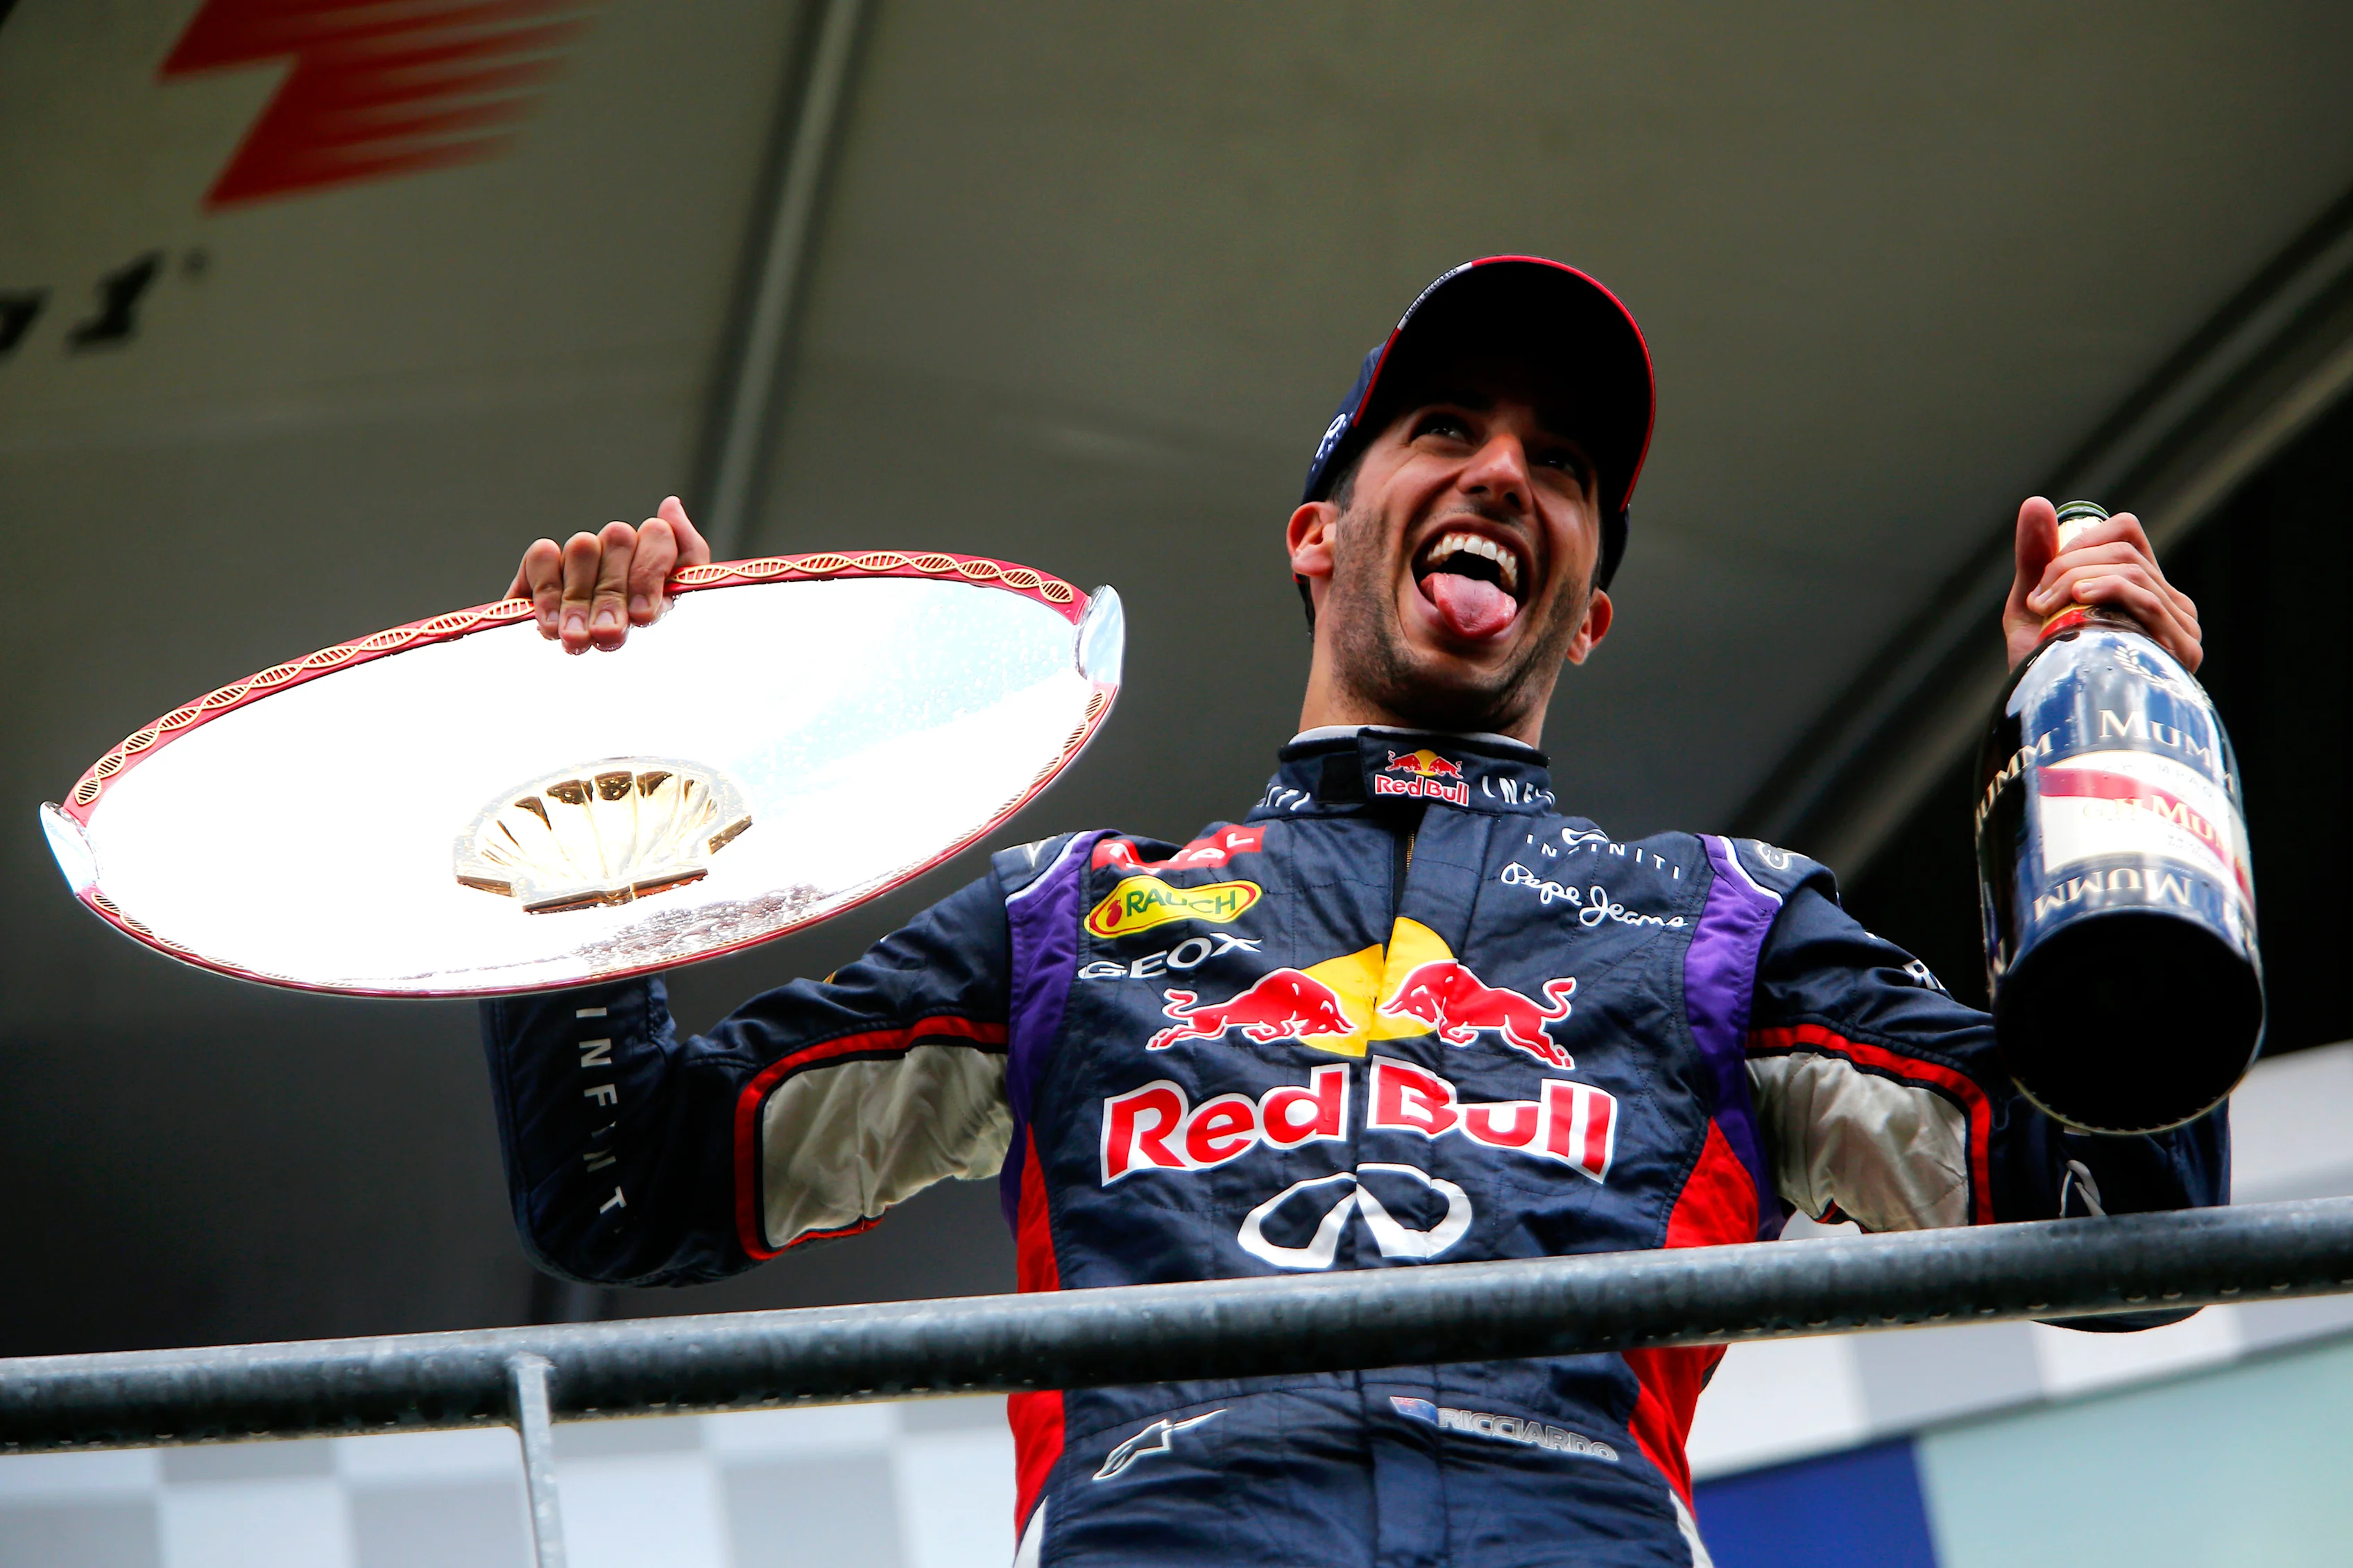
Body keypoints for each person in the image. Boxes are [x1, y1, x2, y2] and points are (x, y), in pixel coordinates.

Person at [481, 257, 2223, 1568]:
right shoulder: (1071, 922)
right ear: (1318, 533)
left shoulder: (1719, 924)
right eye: (1446, 428)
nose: (1500, 474)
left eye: (1558, 467)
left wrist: (2083, 753)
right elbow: (629, 1178)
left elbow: (2125, 1207)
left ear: (1588, 614)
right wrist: (598, 753)